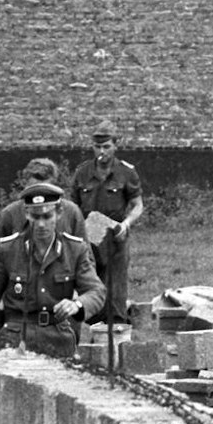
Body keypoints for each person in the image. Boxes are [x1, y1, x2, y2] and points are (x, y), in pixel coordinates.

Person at [0, 181, 106, 358]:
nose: (41, 224)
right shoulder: (7, 250)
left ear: (59, 213)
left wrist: (76, 305)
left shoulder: (74, 250)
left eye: (47, 216)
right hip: (16, 340)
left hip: (58, 339)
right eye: (35, 217)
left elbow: (97, 292)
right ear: (27, 215)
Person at [68, 118, 143, 326]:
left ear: (115, 146)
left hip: (115, 238)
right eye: (97, 146)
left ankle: (117, 328)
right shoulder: (82, 172)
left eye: (107, 146)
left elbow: (138, 205)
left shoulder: (126, 172)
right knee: (90, 282)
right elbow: (72, 207)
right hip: (87, 239)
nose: (102, 151)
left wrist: (126, 224)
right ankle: (93, 328)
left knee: (116, 287)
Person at [0, 158, 85, 245]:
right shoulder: (11, 213)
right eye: (34, 190)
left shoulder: (71, 212)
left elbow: (86, 258)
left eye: (44, 191)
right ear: (25, 184)